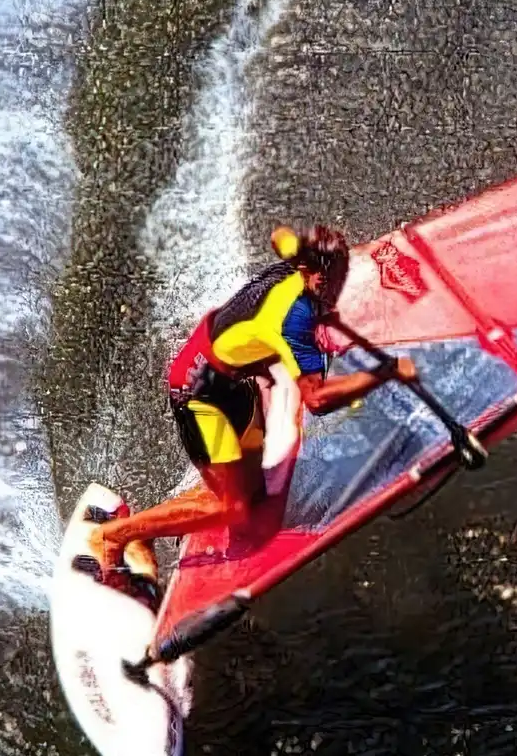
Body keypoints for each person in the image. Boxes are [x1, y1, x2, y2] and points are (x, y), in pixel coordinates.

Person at [78, 225, 414, 599]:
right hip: (199, 392)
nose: (334, 288)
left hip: (235, 379)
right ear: (305, 271)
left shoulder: (298, 263)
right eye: (327, 280)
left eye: (340, 275)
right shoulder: (291, 321)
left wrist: (320, 297)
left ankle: (145, 529)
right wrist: (386, 372)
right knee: (233, 507)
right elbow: (318, 401)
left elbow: (280, 236)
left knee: (248, 495)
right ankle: (113, 536)